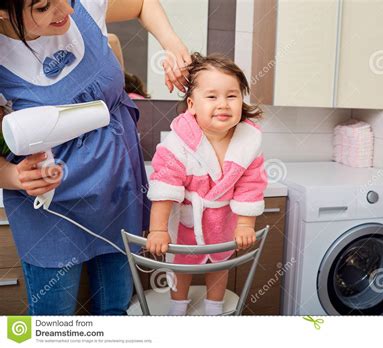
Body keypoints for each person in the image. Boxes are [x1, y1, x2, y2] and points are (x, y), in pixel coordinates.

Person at [0, 0, 190, 315]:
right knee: (54, 324)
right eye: (44, 7)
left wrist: (172, 44)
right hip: (51, 209)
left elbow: (143, 4)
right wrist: (14, 176)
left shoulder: (82, 6)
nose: (67, 10)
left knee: (115, 312)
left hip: (117, 193)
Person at [146, 53, 268, 316]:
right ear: (191, 104)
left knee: (220, 263)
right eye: (212, 97)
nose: (223, 104)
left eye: (232, 96)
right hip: (186, 219)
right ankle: (178, 306)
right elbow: (164, 188)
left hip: (223, 219)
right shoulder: (178, 144)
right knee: (180, 263)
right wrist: (157, 230)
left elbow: (251, 186)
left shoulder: (247, 143)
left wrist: (246, 224)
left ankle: (215, 307)